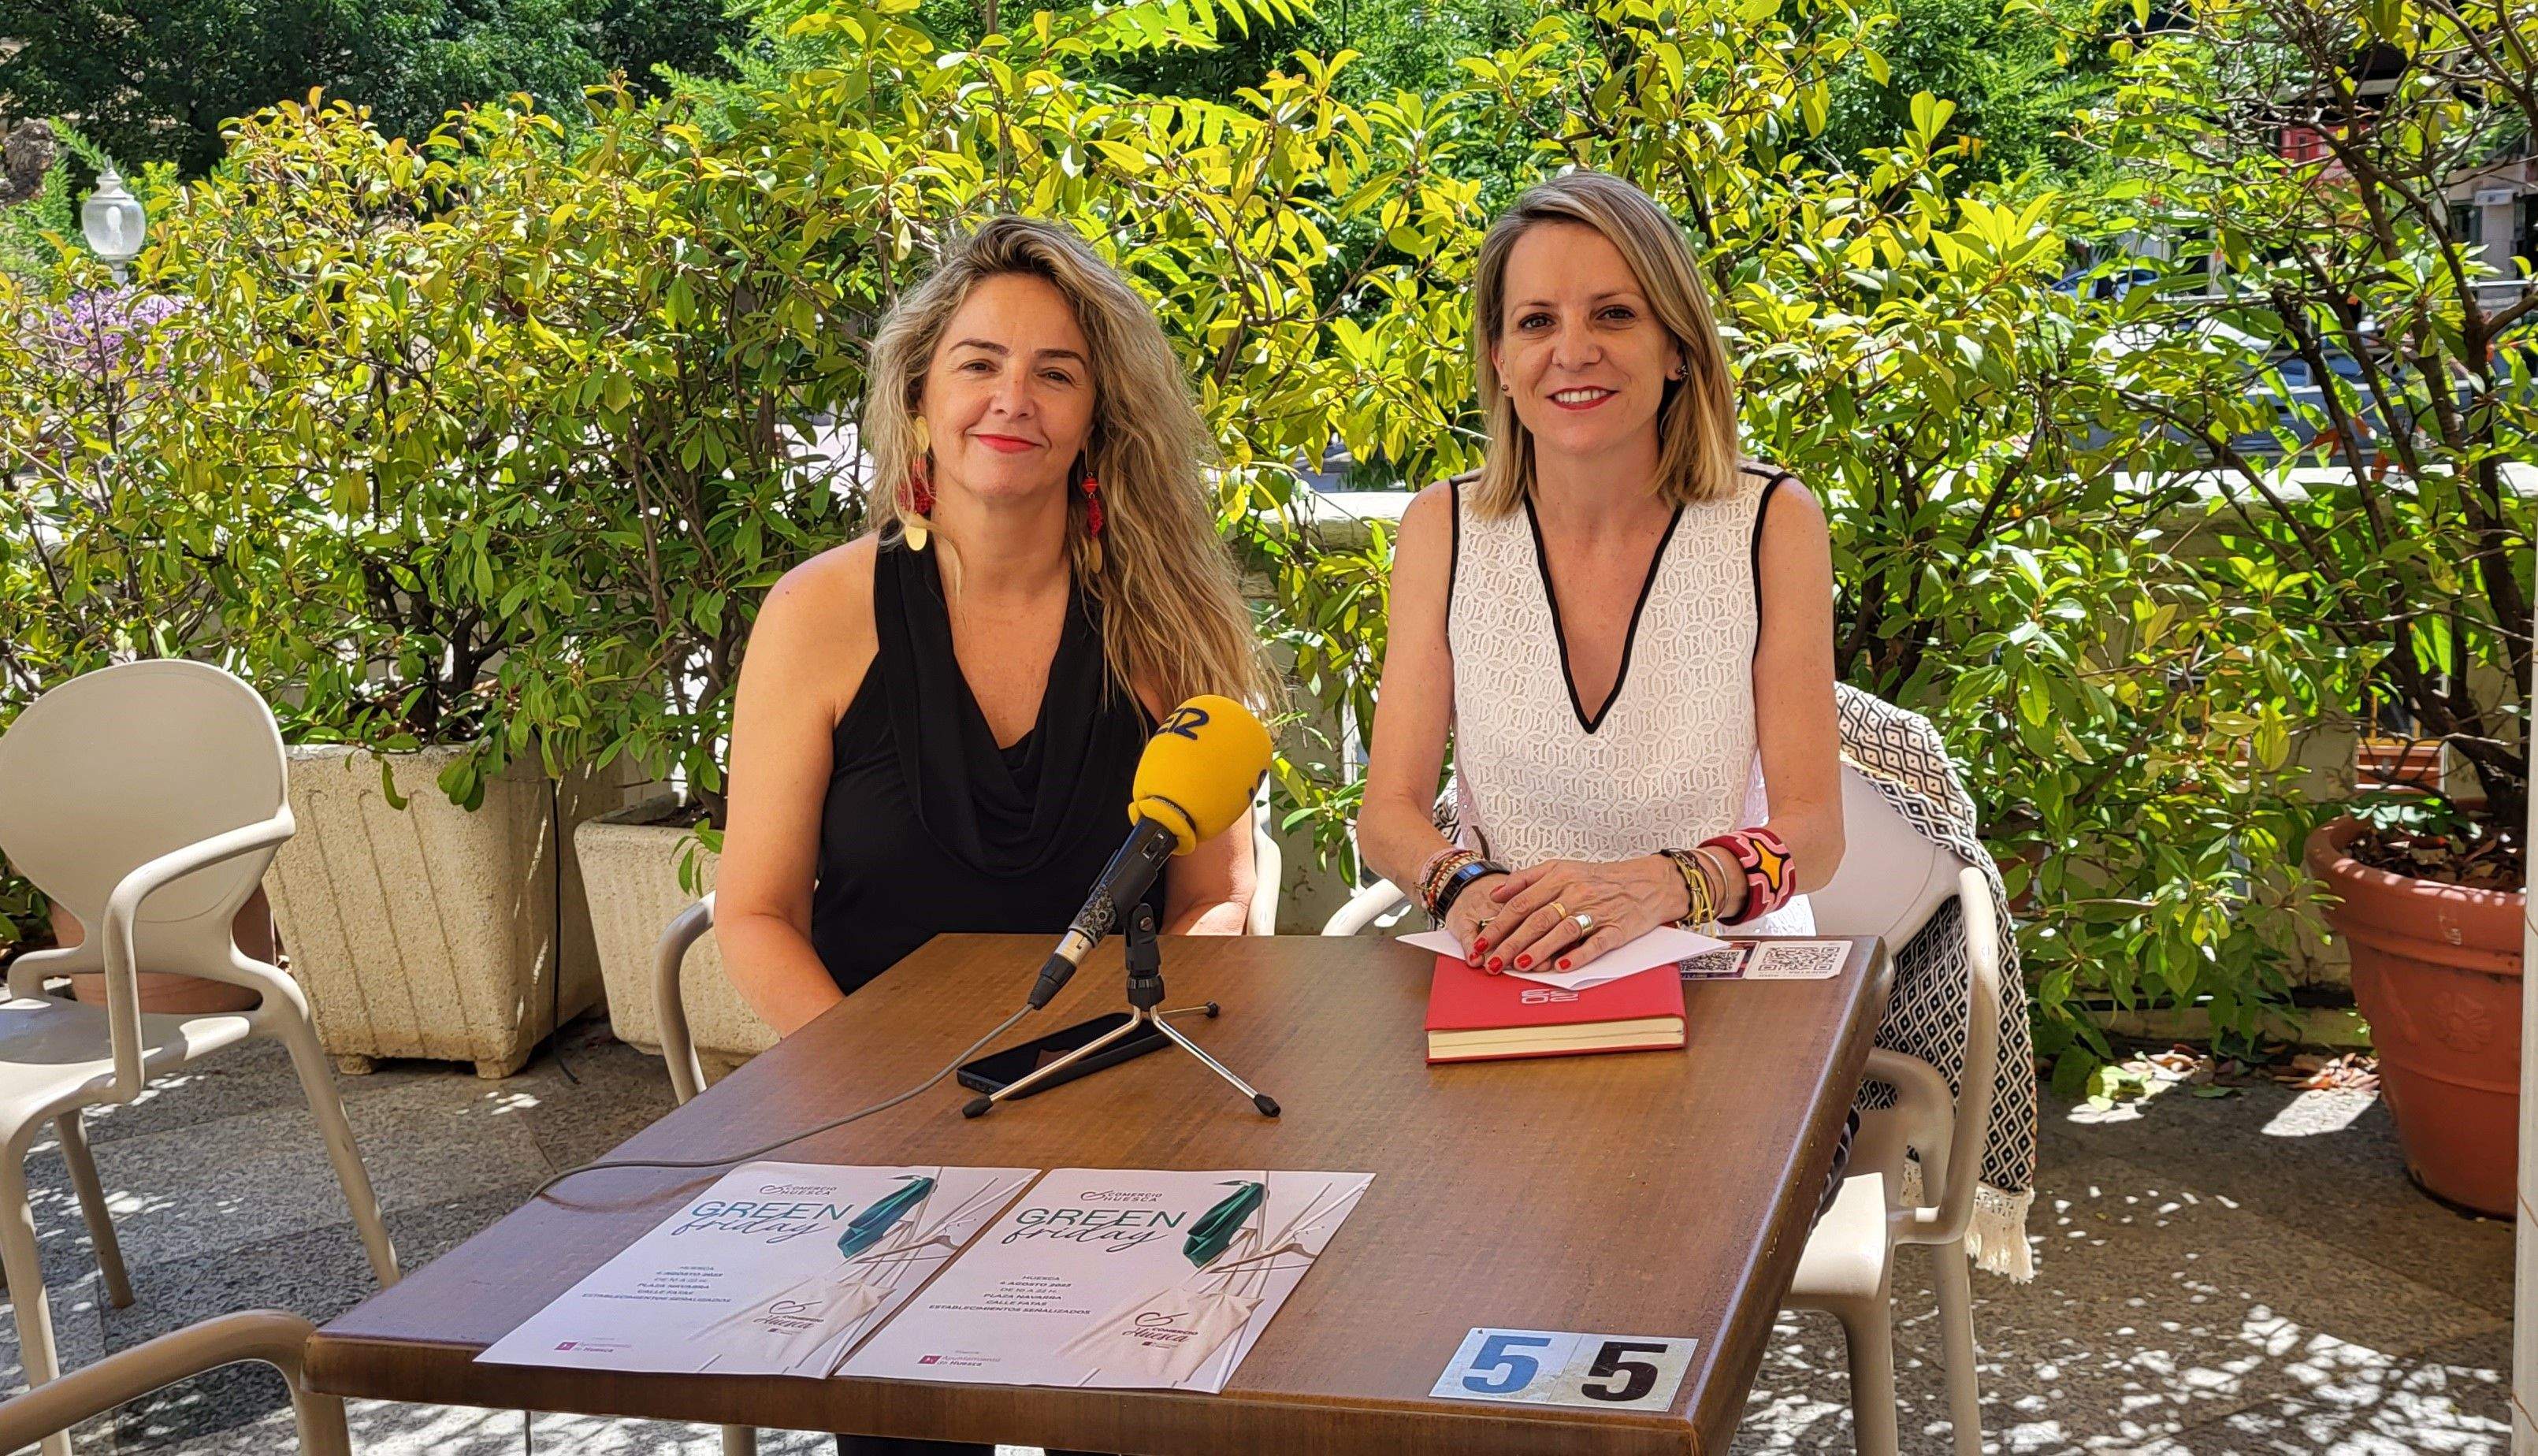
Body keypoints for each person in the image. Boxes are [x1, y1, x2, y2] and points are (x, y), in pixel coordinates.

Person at [715, 217, 1268, 1454]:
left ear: (1094, 419)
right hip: (884, 1125)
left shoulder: (1164, 619)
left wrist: (1131, 1073)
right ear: (919, 400)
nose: (1010, 397)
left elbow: (1217, 901)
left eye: (1055, 371)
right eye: (977, 363)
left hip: (1117, 1113)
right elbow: (752, 913)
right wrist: (882, 1093)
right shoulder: (816, 615)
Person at [1358, 167, 1845, 986]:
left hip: (1735, 976)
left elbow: (1815, 834)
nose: (1571, 351)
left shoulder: (1773, 522)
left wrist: (1661, 887)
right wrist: (1468, 893)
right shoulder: (1440, 530)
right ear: (1501, 363)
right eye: (1535, 321)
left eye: (1613, 315)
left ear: (1677, 350)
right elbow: (1386, 818)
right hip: (1512, 969)